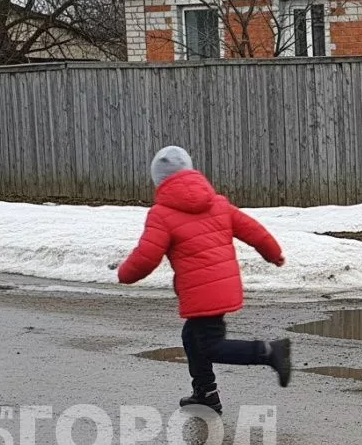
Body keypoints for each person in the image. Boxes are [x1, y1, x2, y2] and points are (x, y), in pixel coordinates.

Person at [117, 146, 291, 414]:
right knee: (192, 336)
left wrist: (124, 274)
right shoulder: (218, 203)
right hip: (223, 285)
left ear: (159, 180)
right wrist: (274, 254)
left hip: (201, 293)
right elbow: (254, 231)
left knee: (211, 347)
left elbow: (147, 256)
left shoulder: (162, 214)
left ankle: (269, 352)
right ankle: (206, 392)